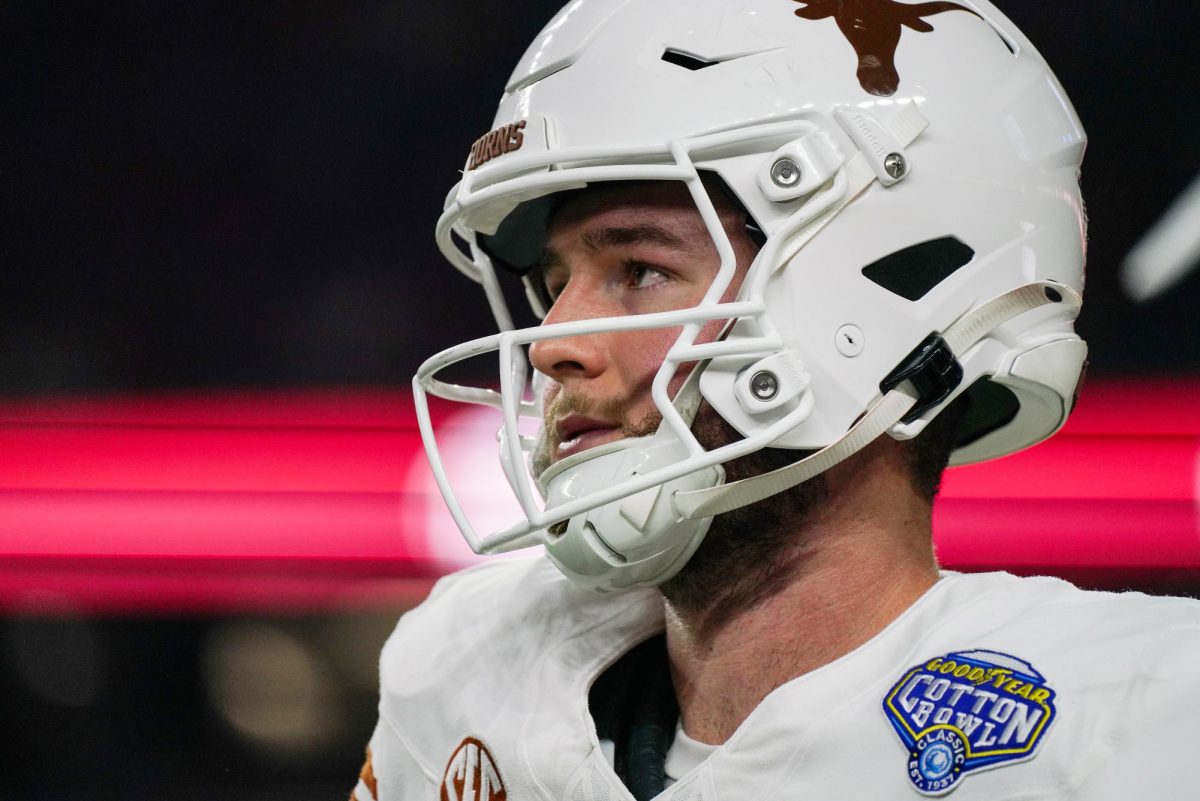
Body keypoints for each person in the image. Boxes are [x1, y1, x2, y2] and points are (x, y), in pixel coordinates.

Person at [352, 1, 1200, 798]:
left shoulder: (1133, 721)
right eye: (553, 283)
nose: (552, 343)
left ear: (881, 290)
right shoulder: (465, 676)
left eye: (640, 271)